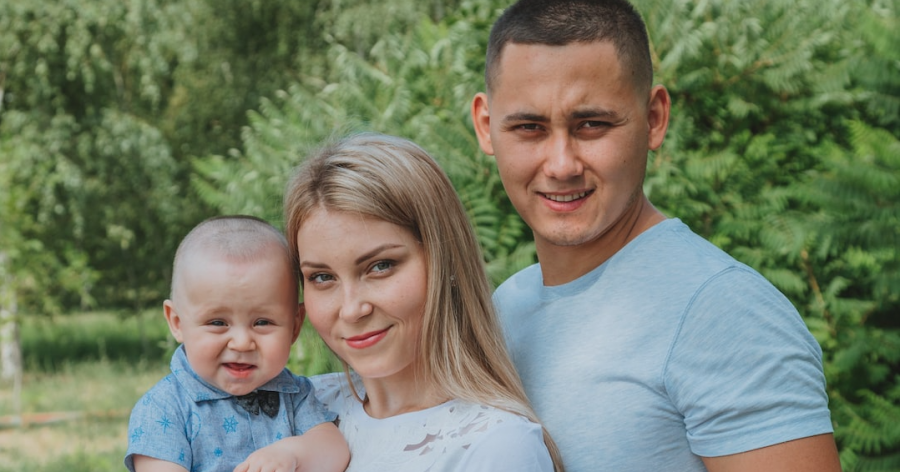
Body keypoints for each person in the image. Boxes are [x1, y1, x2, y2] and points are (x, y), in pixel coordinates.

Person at [469, 0, 841, 471]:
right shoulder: (505, 307)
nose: (561, 165)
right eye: (529, 127)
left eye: (592, 124)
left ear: (654, 118)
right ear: (486, 127)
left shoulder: (723, 312)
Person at [283, 133, 565, 472]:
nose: (351, 309)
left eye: (380, 266)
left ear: (444, 260)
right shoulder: (296, 405)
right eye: (322, 277)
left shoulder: (496, 446)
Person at [125, 216, 350, 472]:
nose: (242, 343)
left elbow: (335, 450)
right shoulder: (163, 408)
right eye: (218, 322)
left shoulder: (294, 394)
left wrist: (292, 453)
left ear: (295, 326)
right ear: (177, 323)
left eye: (262, 322)